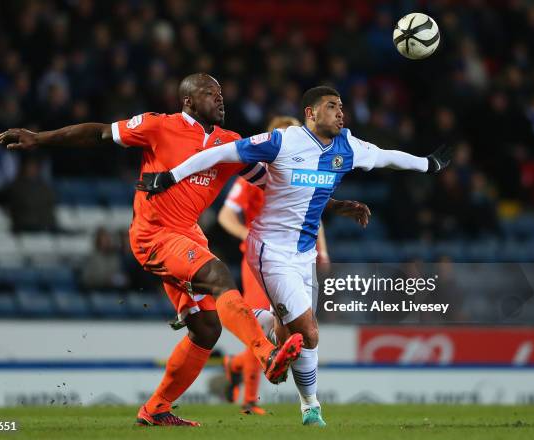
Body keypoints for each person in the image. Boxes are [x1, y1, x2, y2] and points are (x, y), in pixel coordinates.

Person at [0, 73, 305, 427]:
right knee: (219, 275)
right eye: (210, 93)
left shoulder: (228, 142)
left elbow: (274, 183)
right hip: (153, 234)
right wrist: (40, 138)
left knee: (206, 329)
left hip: (188, 236)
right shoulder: (159, 126)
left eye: (221, 94)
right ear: (188, 101)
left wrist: (333, 202)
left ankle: (156, 409)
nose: (220, 100)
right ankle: (267, 356)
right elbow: (99, 132)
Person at [140, 86, 453, 426]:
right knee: (310, 332)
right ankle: (311, 408)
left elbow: (386, 156)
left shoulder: (348, 146)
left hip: (304, 254)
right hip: (270, 249)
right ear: (311, 113)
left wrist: (428, 164)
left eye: (341, 106)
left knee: (294, 334)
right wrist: (171, 176)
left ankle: (266, 339)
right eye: (332, 106)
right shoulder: (282, 141)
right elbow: (220, 153)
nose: (340, 112)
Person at [218, 115, 365, 415]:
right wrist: (248, 234)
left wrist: (322, 250)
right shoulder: (252, 177)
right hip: (262, 257)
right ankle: (250, 400)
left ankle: (234, 365)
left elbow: (312, 216)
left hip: (298, 257)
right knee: (270, 328)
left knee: (287, 327)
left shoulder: (302, 172)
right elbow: (225, 217)